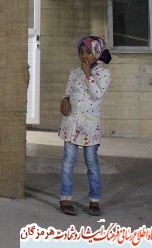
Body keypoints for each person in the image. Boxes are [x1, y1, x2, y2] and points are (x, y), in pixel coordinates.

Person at [58, 35, 112, 217]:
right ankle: (65, 197)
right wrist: (64, 100)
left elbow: (97, 94)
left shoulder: (104, 74)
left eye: (89, 52)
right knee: (68, 161)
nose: (84, 56)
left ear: (97, 53)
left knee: (92, 163)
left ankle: (94, 200)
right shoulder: (74, 73)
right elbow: (67, 93)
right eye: (81, 52)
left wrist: (88, 74)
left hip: (90, 126)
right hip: (72, 123)